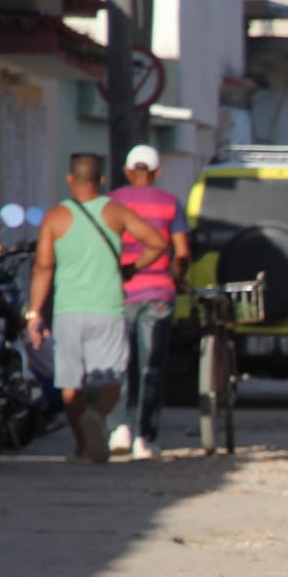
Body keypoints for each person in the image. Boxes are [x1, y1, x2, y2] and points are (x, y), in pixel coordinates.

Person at [26, 154, 168, 464]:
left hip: (68, 310)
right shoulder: (116, 212)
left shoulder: (55, 218)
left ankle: (82, 446)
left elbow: (43, 267)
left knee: (70, 382)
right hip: (107, 307)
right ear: (102, 181)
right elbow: (158, 242)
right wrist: (131, 268)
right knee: (111, 377)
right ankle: (98, 416)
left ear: (70, 180)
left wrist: (34, 311)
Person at [106, 145, 190, 460]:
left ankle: (119, 428)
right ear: (157, 173)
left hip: (118, 293)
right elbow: (182, 253)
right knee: (150, 367)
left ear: (127, 172)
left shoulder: (111, 202)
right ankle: (145, 437)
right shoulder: (170, 202)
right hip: (158, 294)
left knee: (119, 362)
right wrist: (178, 279)